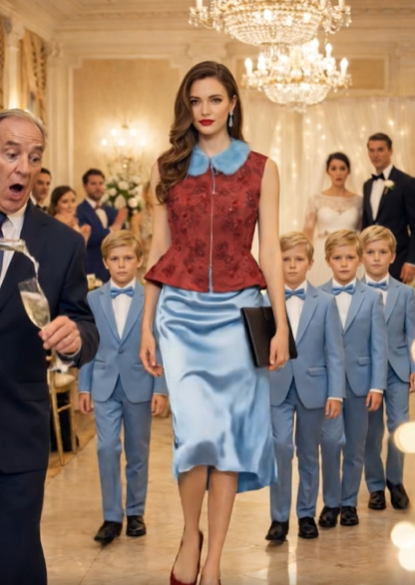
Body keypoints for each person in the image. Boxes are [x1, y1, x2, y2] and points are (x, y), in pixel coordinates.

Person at [140, 61, 289, 585]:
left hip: (238, 315)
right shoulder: (166, 168)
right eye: (196, 100)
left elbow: (270, 252)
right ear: (187, 106)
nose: (205, 110)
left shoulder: (262, 168)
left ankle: (215, 561)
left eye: (215, 99)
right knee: (195, 437)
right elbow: (158, 249)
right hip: (179, 316)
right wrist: (146, 325)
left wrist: (281, 325)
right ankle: (190, 536)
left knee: (227, 440)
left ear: (232, 104)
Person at [0, 109, 99, 585]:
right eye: (10, 153)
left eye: (34, 157)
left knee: (16, 559)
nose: (23, 167)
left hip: (17, 426)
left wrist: (75, 339)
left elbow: (83, 322)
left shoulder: (62, 243)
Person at [78, 230, 167, 545]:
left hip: (140, 382)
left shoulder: (151, 298)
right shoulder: (92, 299)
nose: (121, 264)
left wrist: (160, 388)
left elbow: (161, 344)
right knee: (106, 448)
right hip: (104, 383)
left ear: (139, 261)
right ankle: (112, 516)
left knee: (137, 451)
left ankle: (136, 513)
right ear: (104, 262)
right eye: (114, 259)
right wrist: (84, 386)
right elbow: (88, 344)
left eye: (128, 258)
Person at [265, 232, 344, 545]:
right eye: (286, 259)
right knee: (280, 448)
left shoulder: (325, 302)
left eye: (299, 259)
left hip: (315, 387)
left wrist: (335, 393)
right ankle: (278, 518)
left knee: (309, 452)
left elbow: (334, 352)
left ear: (310, 263)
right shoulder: (264, 300)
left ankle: (306, 514)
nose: (292, 265)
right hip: (276, 386)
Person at [318, 230, 388, 529]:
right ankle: (330, 502)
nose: (344, 263)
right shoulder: (317, 296)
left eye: (350, 257)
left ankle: (349, 503)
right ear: (327, 261)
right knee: (330, 443)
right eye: (338, 258)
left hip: (361, 383)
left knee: (356, 446)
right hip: (327, 385)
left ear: (359, 260)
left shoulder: (372, 298)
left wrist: (377, 385)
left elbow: (379, 345)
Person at [361, 226, 415, 511]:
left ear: (393, 256)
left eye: (383, 252)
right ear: (361, 256)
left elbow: (412, 334)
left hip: (397, 369)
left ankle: (395, 481)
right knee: (371, 431)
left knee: (399, 425)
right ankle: (374, 486)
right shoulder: (352, 292)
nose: (376, 258)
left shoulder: (405, 293)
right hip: (365, 372)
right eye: (370, 252)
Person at [362, 132, 415, 283]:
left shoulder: (406, 182)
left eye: (380, 149)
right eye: (371, 150)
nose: (375, 155)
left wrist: (411, 261)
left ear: (390, 151)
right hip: (371, 260)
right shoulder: (367, 185)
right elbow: (367, 224)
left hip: (398, 259)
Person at [303, 152, 362, 286]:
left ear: (348, 171)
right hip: (323, 251)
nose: (338, 173)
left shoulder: (359, 201)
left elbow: (361, 231)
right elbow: (307, 232)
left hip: (350, 251)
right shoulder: (316, 199)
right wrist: (305, 257)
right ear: (327, 171)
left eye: (342, 168)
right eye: (334, 168)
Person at [76, 169, 127, 282]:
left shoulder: (110, 210)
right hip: (92, 266)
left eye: (100, 183)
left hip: (114, 269)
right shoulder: (79, 210)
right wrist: (113, 227)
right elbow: (89, 238)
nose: (98, 187)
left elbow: (122, 234)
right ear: (85, 186)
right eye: (93, 184)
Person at [130, 181, 153, 277]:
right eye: (151, 191)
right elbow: (136, 245)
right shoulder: (137, 218)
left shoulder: (168, 217)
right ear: (145, 194)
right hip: (144, 268)